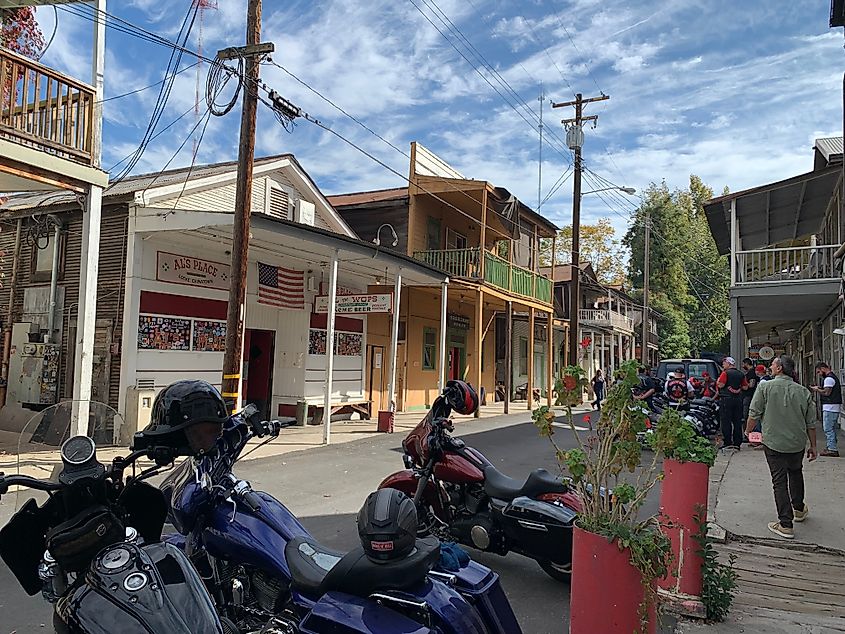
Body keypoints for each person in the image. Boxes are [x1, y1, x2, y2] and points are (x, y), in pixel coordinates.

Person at [745, 355, 817, 539]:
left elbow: (754, 413)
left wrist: (748, 432)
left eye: (772, 364)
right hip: (796, 443)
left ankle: (786, 524)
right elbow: (811, 423)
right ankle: (799, 509)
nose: (770, 367)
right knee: (795, 472)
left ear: (779, 369)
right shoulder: (803, 392)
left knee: (779, 481)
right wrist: (814, 446)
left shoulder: (765, 388)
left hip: (773, 442)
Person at [717, 356, 748, 449]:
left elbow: (721, 384)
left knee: (726, 421)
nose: (723, 365)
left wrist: (718, 381)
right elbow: (745, 387)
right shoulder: (741, 374)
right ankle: (737, 442)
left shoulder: (725, 373)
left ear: (728, 363)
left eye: (724, 363)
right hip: (738, 400)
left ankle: (727, 441)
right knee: (737, 421)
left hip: (726, 399)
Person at [810, 361, 841, 457]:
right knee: (833, 428)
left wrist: (817, 389)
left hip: (830, 407)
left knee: (828, 428)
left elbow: (827, 393)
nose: (819, 374)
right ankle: (831, 446)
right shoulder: (832, 378)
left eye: (819, 372)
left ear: (823, 369)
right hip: (834, 407)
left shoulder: (828, 379)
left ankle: (832, 448)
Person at [742, 357, 758, 423]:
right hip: (747, 395)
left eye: (743, 364)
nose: (742, 366)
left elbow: (752, 385)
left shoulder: (751, 373)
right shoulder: (750, 372)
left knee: (746, 413)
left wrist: (744, 385)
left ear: (746, 364)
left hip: (748, 395)